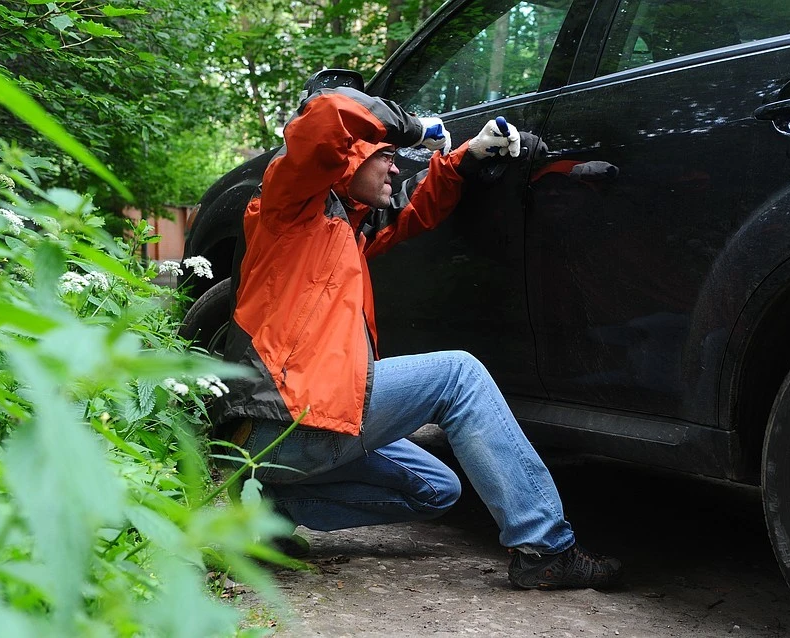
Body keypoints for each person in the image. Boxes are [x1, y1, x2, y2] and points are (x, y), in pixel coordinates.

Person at [212, 85, 622, 590]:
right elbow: (328, 115)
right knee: (459, 375)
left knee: (437, 490)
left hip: (291, 433)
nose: (395, 167)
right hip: (280, 419)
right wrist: (411, 127)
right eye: (384, 157)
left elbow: (410, 211)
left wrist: (464, 158)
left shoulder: (346, 229)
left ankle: (266, 514)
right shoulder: (285, 208)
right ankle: (546, 549)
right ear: (346, 163)